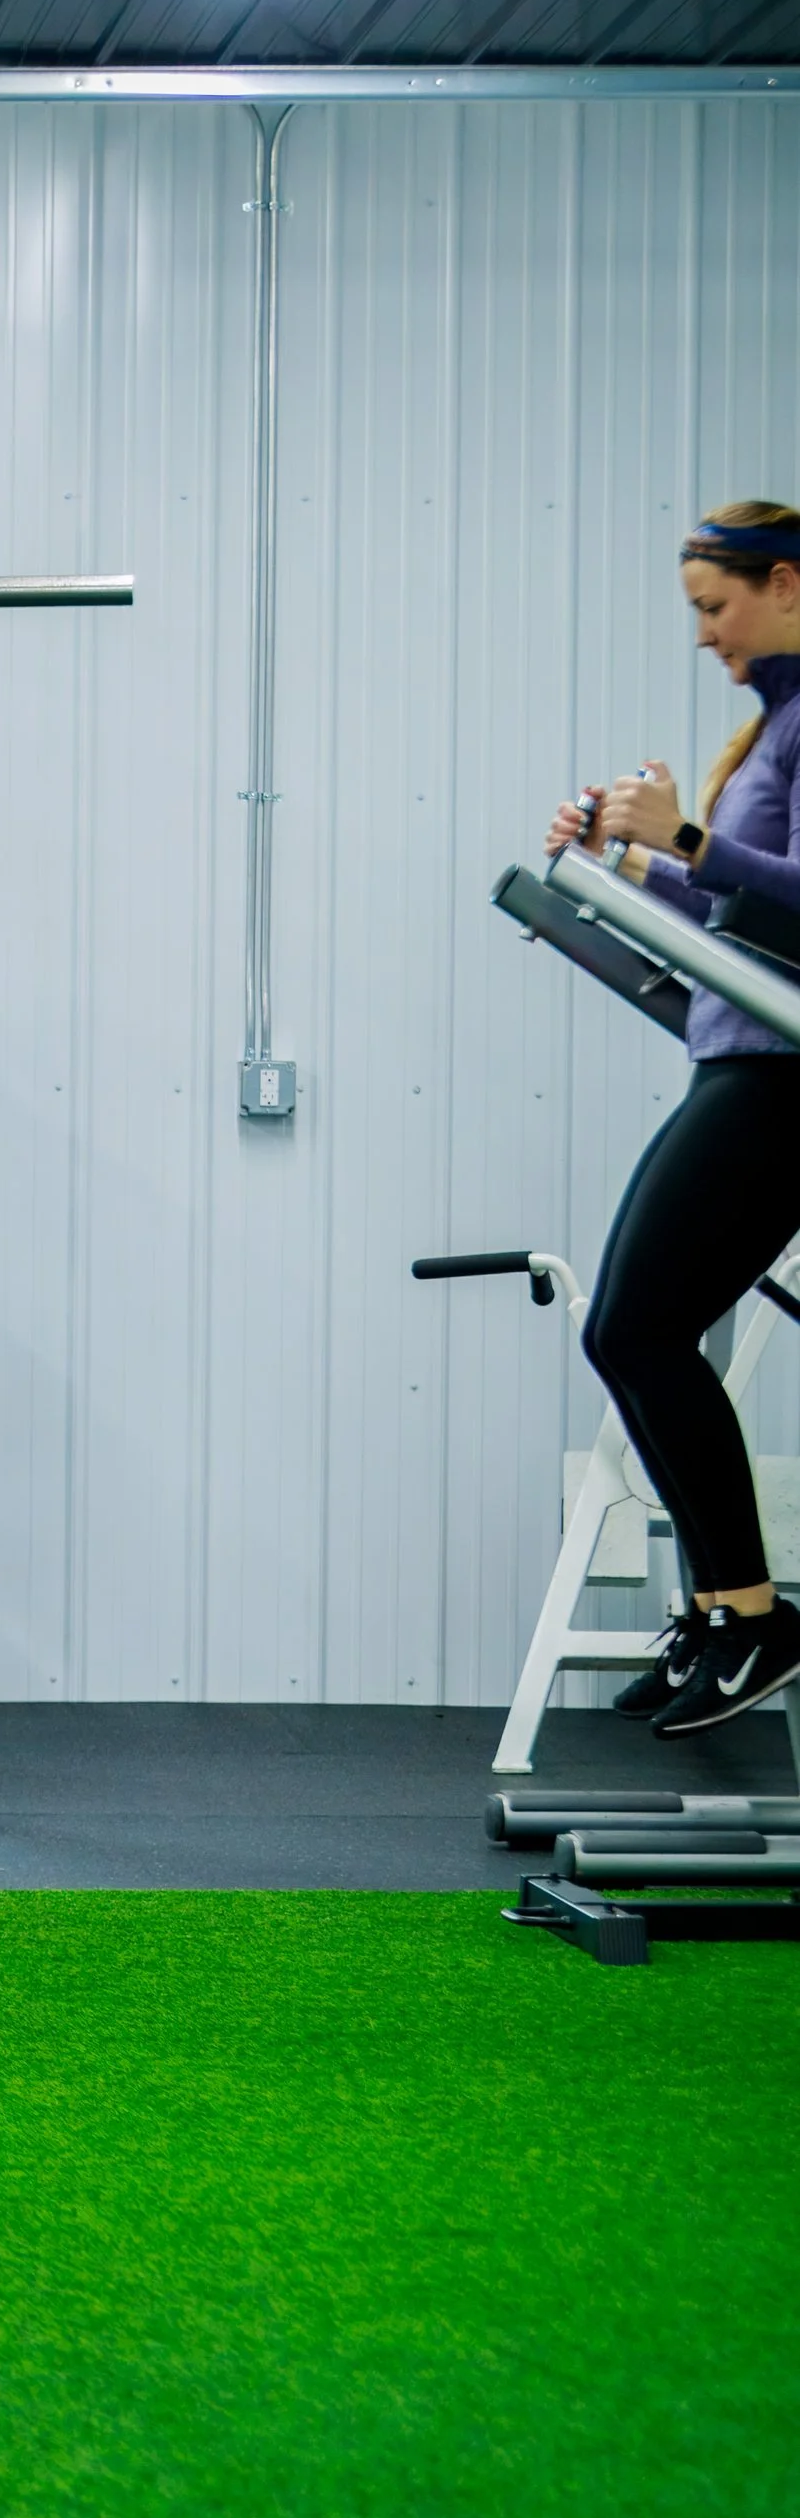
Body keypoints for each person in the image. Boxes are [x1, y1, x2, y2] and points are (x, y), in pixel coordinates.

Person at [548, 499, 800, 1736]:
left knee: (635, 1327)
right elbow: (742, 918)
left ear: (786, 587)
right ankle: (722, 1609)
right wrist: (627, 862)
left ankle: (753, 1617)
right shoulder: (770, 735)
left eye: (716, 605)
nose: (704, 633)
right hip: (739, 1065)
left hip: (782, 1082)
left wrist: (685, 837)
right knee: (628, 1334)